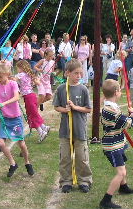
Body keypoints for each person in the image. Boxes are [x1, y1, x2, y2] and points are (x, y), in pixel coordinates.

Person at [53, 59, 93, 193]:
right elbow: (56, 106)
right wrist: (64, 110)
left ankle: (84, 181)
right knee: (65, 157)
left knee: (82, 158)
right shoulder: (61, 89)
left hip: (80, 129)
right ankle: (66, 181)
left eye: (80, 73)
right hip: (65, 130)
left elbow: (88, 109)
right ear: (67, 73)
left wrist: (75, 107)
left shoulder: (83, 89)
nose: (79, 76)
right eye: (76, 73)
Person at [99, 79, 133, 209]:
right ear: (116, 93)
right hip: (112, 145)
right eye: (120, 91)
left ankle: (123, 187)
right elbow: (128, 123)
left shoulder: (110, 106)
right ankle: (106, 200)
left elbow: (120, 121)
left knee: (123, 166)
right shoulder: (111, 110)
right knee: (121, 172)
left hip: (116, 142)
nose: (121, 93)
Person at [15, 60, 50, 142]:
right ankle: (44, 127)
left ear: (21, 68)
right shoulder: (29, 74)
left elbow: (13, 79)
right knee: (34, 113)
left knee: (31, 115)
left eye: (17, 68)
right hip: (33, 95)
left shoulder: (20, 74)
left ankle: (41, 132)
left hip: (28, 97)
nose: (17, 70)